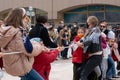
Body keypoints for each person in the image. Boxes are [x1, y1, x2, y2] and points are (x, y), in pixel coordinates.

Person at [0, 8, 44, 80]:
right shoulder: (19, 32)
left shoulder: (5, 30)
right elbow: (29, 50)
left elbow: (19, 45)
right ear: (21, 18)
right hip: (22, 67)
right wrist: (39, 46)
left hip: (11, 65)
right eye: (25, 17)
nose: (26, 20)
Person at [76, 16, 103, 80]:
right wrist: (77, 42)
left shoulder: (96, 30)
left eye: (89, 22)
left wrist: (82, 44)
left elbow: (91, 40)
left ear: (92, 23)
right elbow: (84, 38)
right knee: (80, 71)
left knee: (83, 74)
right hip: (92, 56)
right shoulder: (90, 31)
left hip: (96, 56)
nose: (87, 24)